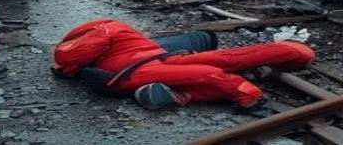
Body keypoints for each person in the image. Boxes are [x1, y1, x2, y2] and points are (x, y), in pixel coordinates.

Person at [52, 19, 315, 110]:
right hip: (141, 66)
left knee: (217, 65)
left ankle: (290, 54)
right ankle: (288, 54)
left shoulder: (101, 34)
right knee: (216, 67)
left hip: (151, 61)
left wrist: (249, 96)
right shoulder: (108, 30)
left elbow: (69, 58)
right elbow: (209, 75)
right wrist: (249, 97)